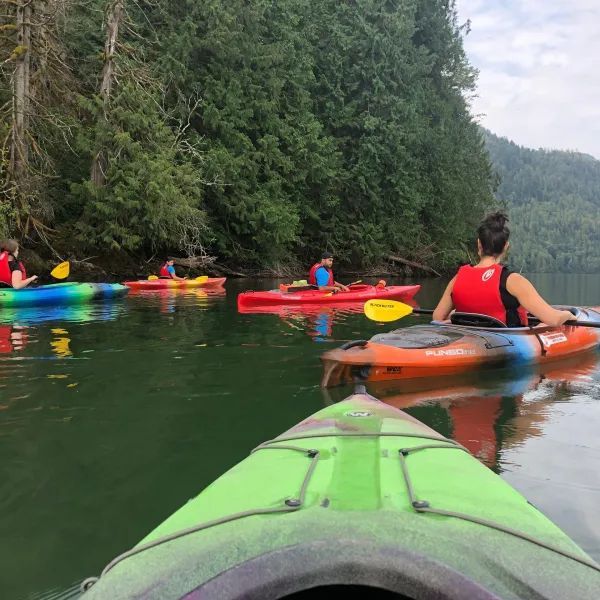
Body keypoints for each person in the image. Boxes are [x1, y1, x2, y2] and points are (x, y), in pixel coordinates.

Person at [432, 212, 573, 327]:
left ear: (479, 244)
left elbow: (437, 317)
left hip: (469, 338)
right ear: (506, 246)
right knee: (544, 325)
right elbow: (553, 320)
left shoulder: (458, 278)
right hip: (504, 344)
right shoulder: (513, 281)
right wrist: (569, 315)